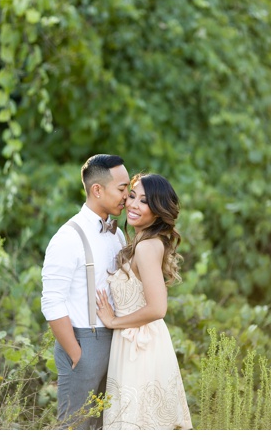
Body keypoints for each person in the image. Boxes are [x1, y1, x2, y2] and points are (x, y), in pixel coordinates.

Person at [95, 173, 193, 430]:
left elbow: (158, 308)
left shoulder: (147, 247)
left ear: (159, 210)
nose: (133, 205)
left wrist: (113, 321)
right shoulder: (141, 241)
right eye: (132, 196)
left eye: (144, 201)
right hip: (132, 345)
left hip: (141, 348)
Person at [41, 154, 130, 429]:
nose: (127, 196)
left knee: (108, 424)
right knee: (74, 425)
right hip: (83, 341)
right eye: (122, 188)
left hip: (116, 341)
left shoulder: (118, 234)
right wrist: (76, 353)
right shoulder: (68, 237)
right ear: (97, 189)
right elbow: (52, 301)